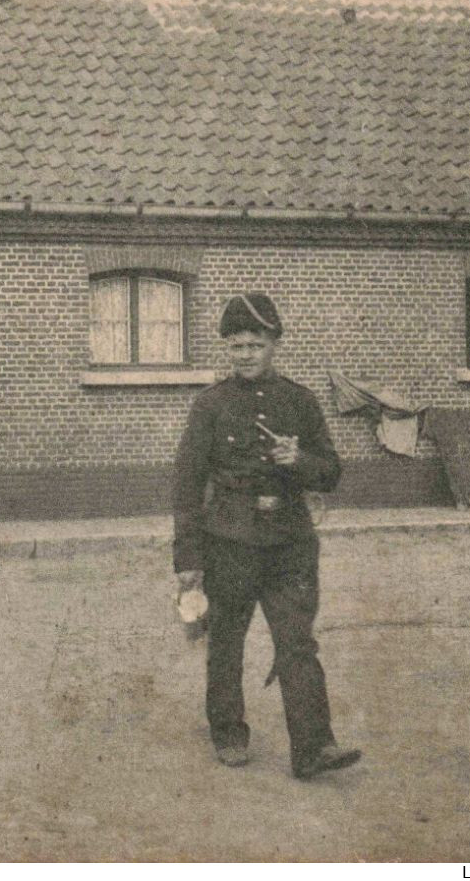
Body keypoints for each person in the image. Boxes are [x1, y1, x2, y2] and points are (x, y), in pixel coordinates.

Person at [172, 293, 359, 781]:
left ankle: (314, 747)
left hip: (290, 544)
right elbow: (187, 483)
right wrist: (187, 557)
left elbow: (332, 473)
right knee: (227, 642)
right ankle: (229, 731)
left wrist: (299, 462)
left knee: (297, 643)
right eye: (236, 346)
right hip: (229, 541)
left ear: (274, 343)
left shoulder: (299, 401)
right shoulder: (211, 405)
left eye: (255, 344)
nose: (245, 355)